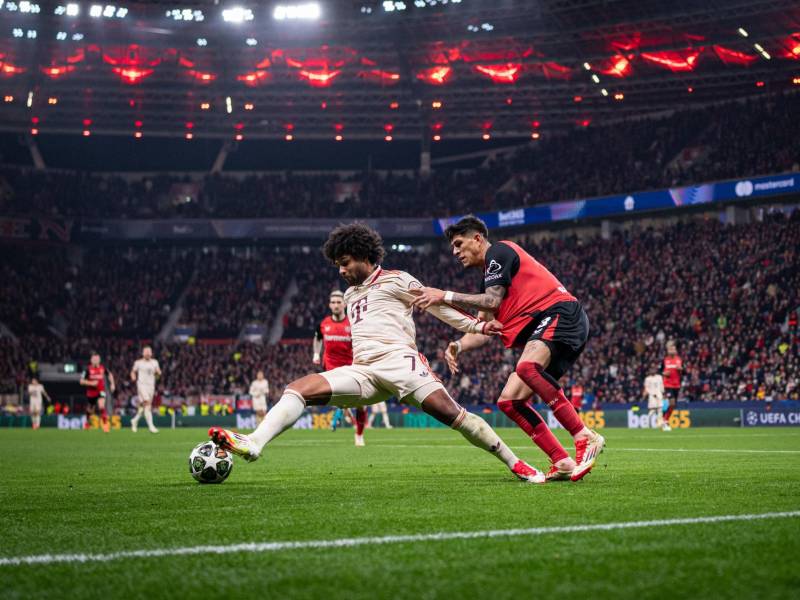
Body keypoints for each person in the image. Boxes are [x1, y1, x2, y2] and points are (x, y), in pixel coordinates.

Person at [210, 222, 546, 483]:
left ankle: (515, 462)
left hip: (401, 364)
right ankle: (254, 443)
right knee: (299, 388)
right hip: (364, 371)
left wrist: (478, 327)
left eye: (345, 263)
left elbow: (437, 307)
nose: (341, 270)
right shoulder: (350, 295)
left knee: (455, 416)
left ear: (364, 256)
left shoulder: (397, 280)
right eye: (337, 265)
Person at [410, 215, 605, 482]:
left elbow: (491, 302)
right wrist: (457, 345)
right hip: (550, 325)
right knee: (509, 401)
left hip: (561, 313)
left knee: (526, 367)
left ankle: (584, 436)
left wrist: (444, 295)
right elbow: (486, 328)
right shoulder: (489, 281)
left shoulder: (499, 252)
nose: (455, 252)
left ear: (477, 239)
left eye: (458, 244)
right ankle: (562, 461)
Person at [313, 289, 367, 445]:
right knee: (340, 401)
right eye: (333, 302)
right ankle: (343, 408)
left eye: (338, 302)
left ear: (344, 304)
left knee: (361, 405)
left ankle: (359, 435)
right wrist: (316, 354)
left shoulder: (352, 323)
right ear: (329, 305)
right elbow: (317, 338)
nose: (336, 305)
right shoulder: (324, 324)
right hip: (332, 369)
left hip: (352, 368)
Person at [80, 352, 115, 433]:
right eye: (94, 359)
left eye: (97, 359)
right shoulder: (87, 370)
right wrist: (91, 383)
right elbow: (81, 381)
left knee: (101, 406)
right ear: (91, 360)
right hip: (91, 392)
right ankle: (87, 423)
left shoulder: (103, 368)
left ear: (99, 360)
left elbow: (110, 375)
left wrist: (112, 384)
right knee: (90, 410)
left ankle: (105, 425)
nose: (96, 360)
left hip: (101, 391)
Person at [130, 346, 161, 433]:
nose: (147, 353)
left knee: (144, 406)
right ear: (143, 353)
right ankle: (151, 426)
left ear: (151, 353)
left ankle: (135, 420)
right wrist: (133, 377)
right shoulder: (138, 362)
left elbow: (158, 373)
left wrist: (158, 373)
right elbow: (133, 371)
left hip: (151, 386)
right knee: (147, 404)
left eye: (149, 352)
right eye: (146, 352)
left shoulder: (155, 362)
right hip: (141, 385)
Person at [662, 341, 683, 431]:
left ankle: (665, 419)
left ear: (676, 351)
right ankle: (665, 421)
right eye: (670, 349)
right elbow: (660, 371)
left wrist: (681, 369)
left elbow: (683, 372)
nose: (672, 351)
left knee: (673, 405)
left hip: (676, 385)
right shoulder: (664, 360)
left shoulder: (679, 360)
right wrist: (664, 373)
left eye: (673, 349)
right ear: (668, 351)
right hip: (667, 384)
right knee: (672, 402)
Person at [643, 365, 665, 429]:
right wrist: (652, 393)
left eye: (654, 369)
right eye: (651, 370)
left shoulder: (659, 377)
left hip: (659, 395)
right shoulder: (647, 379)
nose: (652, 371)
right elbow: (647, 388)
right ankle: (647, 424)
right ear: (649, 371)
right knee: (652, 411)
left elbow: (662, 385)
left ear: (656, 370)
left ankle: (659, 424)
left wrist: (663, 393)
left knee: (660, 410)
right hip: (652, 397)